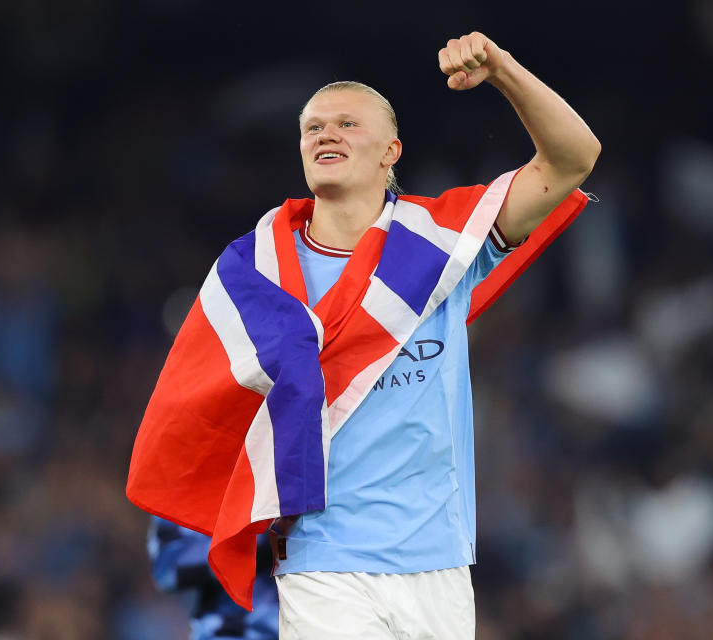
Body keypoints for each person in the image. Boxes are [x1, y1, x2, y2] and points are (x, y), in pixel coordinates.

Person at [127, 31, 599, 640]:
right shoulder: (254, 271)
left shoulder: (442, 244)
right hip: (323, 561)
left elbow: (573, 158)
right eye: (313, 128)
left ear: (390, 152)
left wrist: (503, 69)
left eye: (348, 124)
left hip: (440, 560)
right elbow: (198, 403)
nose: (326, 134)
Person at [147, 517, 279, 639]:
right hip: (232, 629)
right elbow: (167, 570)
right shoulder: (183, 496)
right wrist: (248, 539)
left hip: (291, 622)